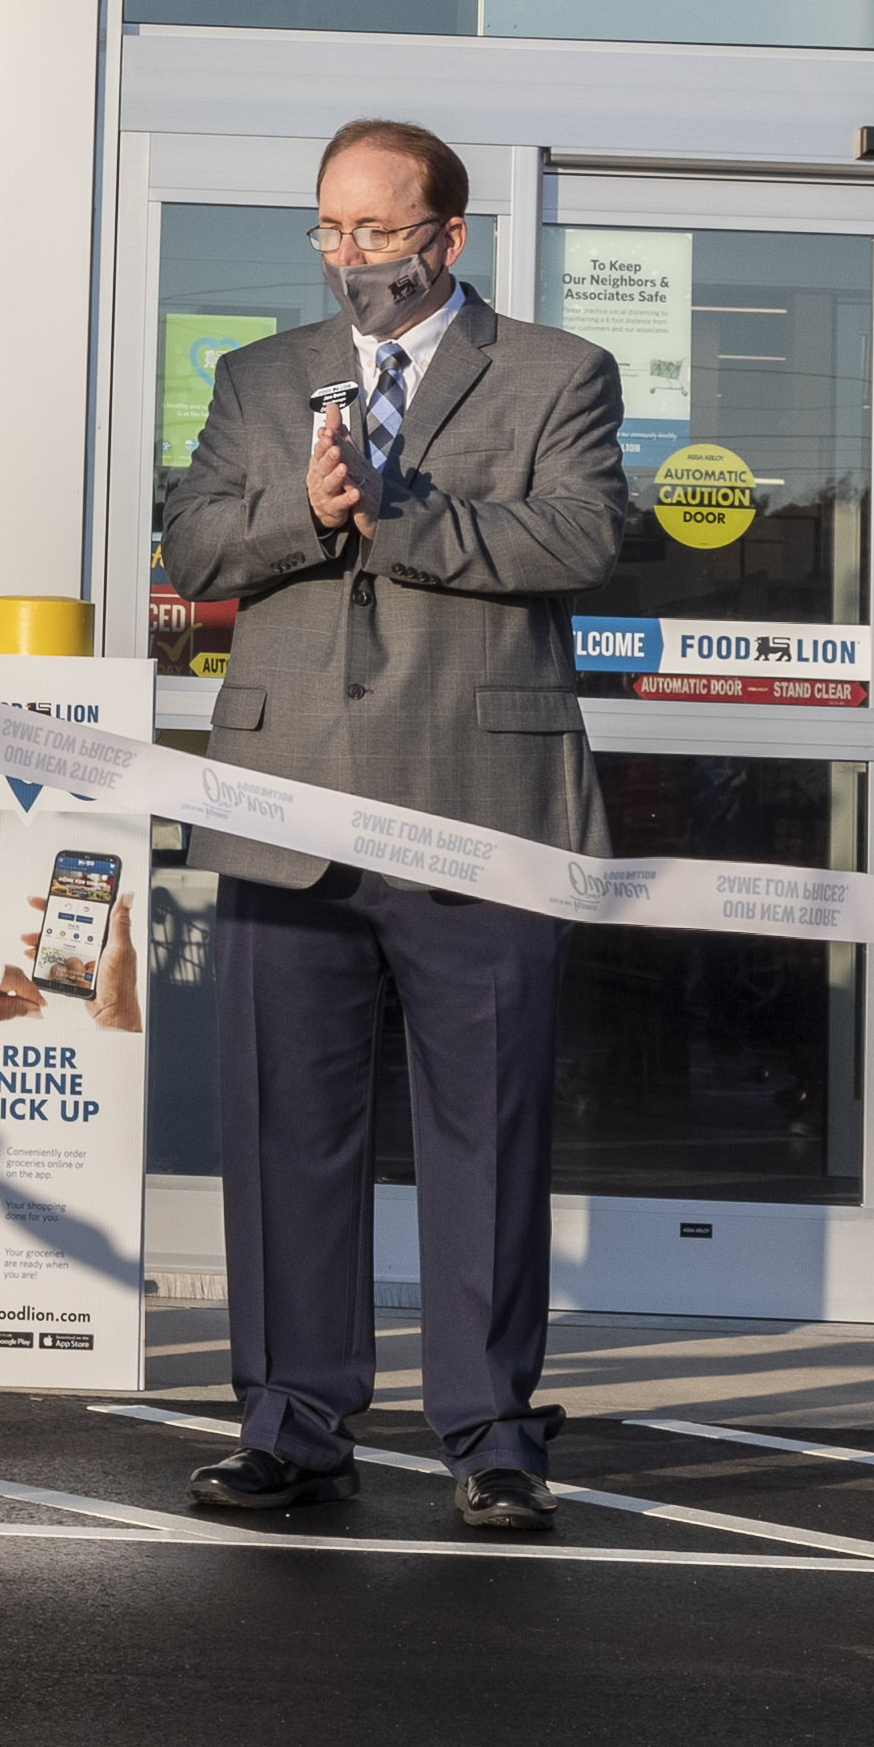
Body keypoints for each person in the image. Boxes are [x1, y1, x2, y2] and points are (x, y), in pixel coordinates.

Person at [156, 118, 630, 1536]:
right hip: (286, 802)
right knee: (285, 1133)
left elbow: (582, 540)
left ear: (448, 238)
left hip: (480, 808)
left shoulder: (559, 374)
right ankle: (293, 1425)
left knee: (485, 1138)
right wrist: (304, 514)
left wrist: (403, 516)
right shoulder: (261, 376)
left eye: (377, 231)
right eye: (330, 231)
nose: (351, 257)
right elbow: (192, 546)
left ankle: (490, 1435)